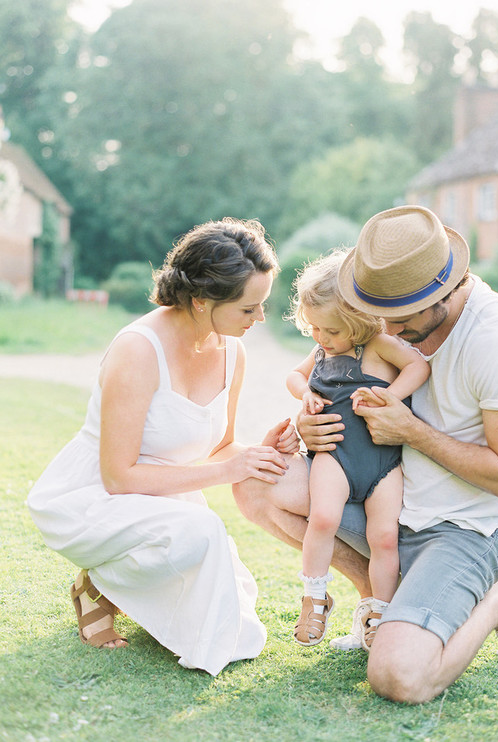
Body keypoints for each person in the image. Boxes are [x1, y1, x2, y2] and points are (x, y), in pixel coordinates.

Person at [232, 205, 498, 703]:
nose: (388, 333)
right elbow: (335, 381)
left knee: (399, 677)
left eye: (399, 320)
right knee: (255, 480)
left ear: (440, 293)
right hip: (388, 502)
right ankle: (376, 605)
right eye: (377, 316)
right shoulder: (385, 324)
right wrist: (310, 426)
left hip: (459, 528)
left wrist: (414, 432)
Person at [27, 217, 300, 676]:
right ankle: (96, 587)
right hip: (94, 495)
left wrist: (256, 454)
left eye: (263, 305)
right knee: (202, 531)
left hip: (165, 498)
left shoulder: (234, 350)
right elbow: (119, 477)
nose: (260, 319)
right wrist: (224, 472)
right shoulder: (138, 349)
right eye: (248, 309)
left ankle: (117, 586)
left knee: (239, 626)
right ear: (200, 300)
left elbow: (223, 448)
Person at [285, 251, 430, 649]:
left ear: (359, 320)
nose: (320, 338)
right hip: (335, 454)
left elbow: (419, 367)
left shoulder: (380, 345)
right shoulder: (320, 352)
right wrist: (307, 395)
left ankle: (379, 613)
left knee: (384, 537)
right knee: (323, 517)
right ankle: (315, 596)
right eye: (313, 328)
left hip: (384, 464)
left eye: (330, 330)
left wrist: (391, 398)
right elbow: (294, 377)